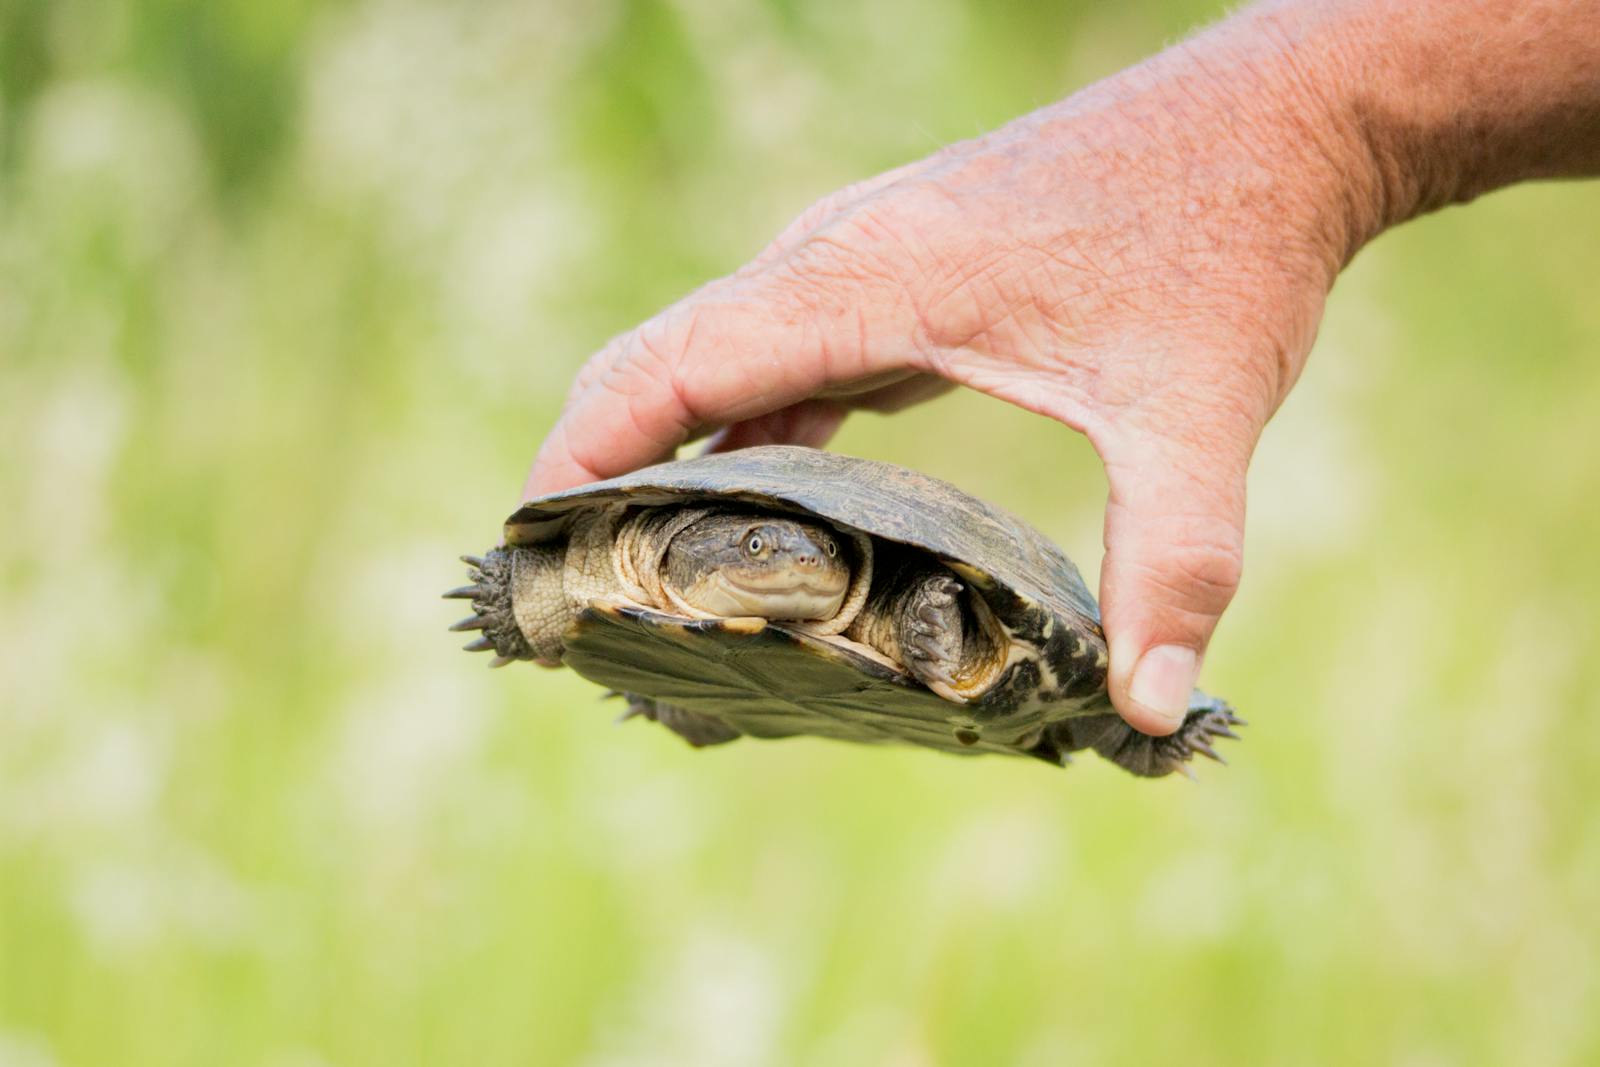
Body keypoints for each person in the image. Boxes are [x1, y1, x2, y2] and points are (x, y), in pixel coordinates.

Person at [522, 0, 1600, 738]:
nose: (789, 559)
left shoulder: (890, 599)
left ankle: (1116, 723)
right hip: (696, 659)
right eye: (761, 545)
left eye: (796, 544)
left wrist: (1313, 125)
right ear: (698, 545)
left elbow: (952, 613)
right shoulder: (639, 554)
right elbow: (543, 568)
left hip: (943, 648)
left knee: (1096, 698)